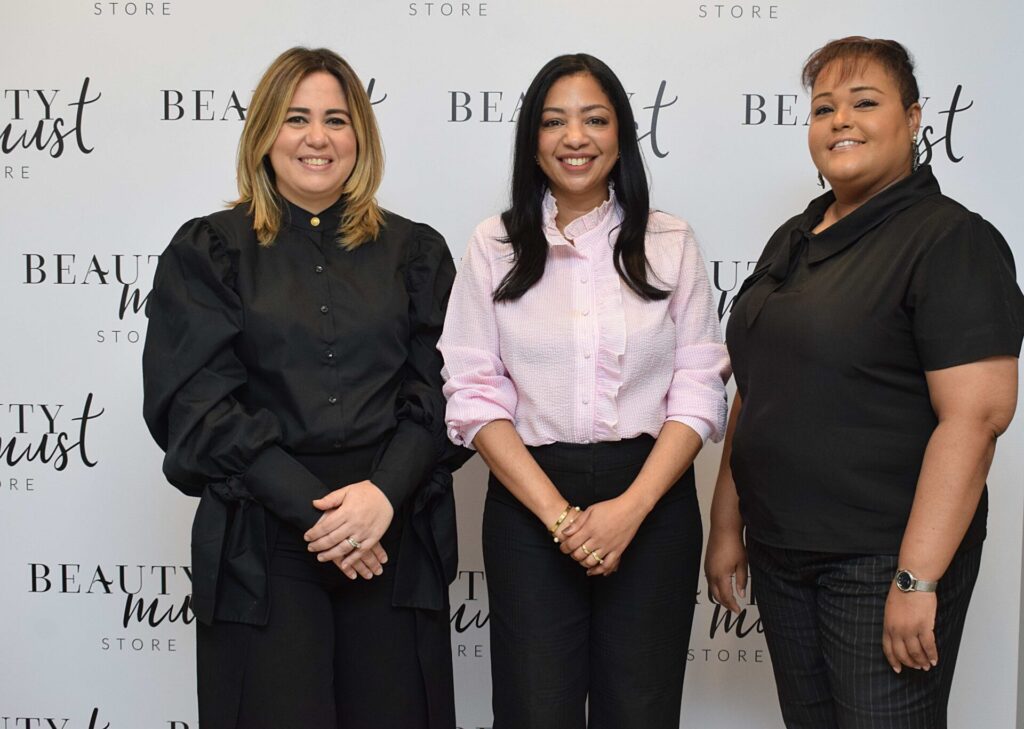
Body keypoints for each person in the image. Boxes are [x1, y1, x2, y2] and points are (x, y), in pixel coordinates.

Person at [705, 36, 1024, 729]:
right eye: (823, 108)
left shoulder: (950, 241)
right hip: (783, 552)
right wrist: (726, 519)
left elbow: (976, 418)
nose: (840, 120)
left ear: (913, 119)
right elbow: (757, 387)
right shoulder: (795, 236)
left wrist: (917, 577)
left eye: (864, 103)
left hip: (881, 560)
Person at [142, 47, 461, 729]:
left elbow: (446, 389)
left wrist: (379, 497)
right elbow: (198, 406)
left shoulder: (417, 252)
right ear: (263, 133)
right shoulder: (208, 252)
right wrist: (320, 517)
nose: (317, 138)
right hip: (265, 543)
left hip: (390, 536)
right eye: (296, 119)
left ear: (361, 138)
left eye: (336, 120)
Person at [438, 53, 730, 729]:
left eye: (595, 119)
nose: (576, 137)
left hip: (650, 497)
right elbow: (475, 391)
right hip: (529, 503)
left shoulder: (669, 241)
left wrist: (630, 508)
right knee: (535, 708)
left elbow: (697, 386)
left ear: (621, 135)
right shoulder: (494, 245)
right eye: (555, 122)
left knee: (642, 708)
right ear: (532, 140)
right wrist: (560, 517)